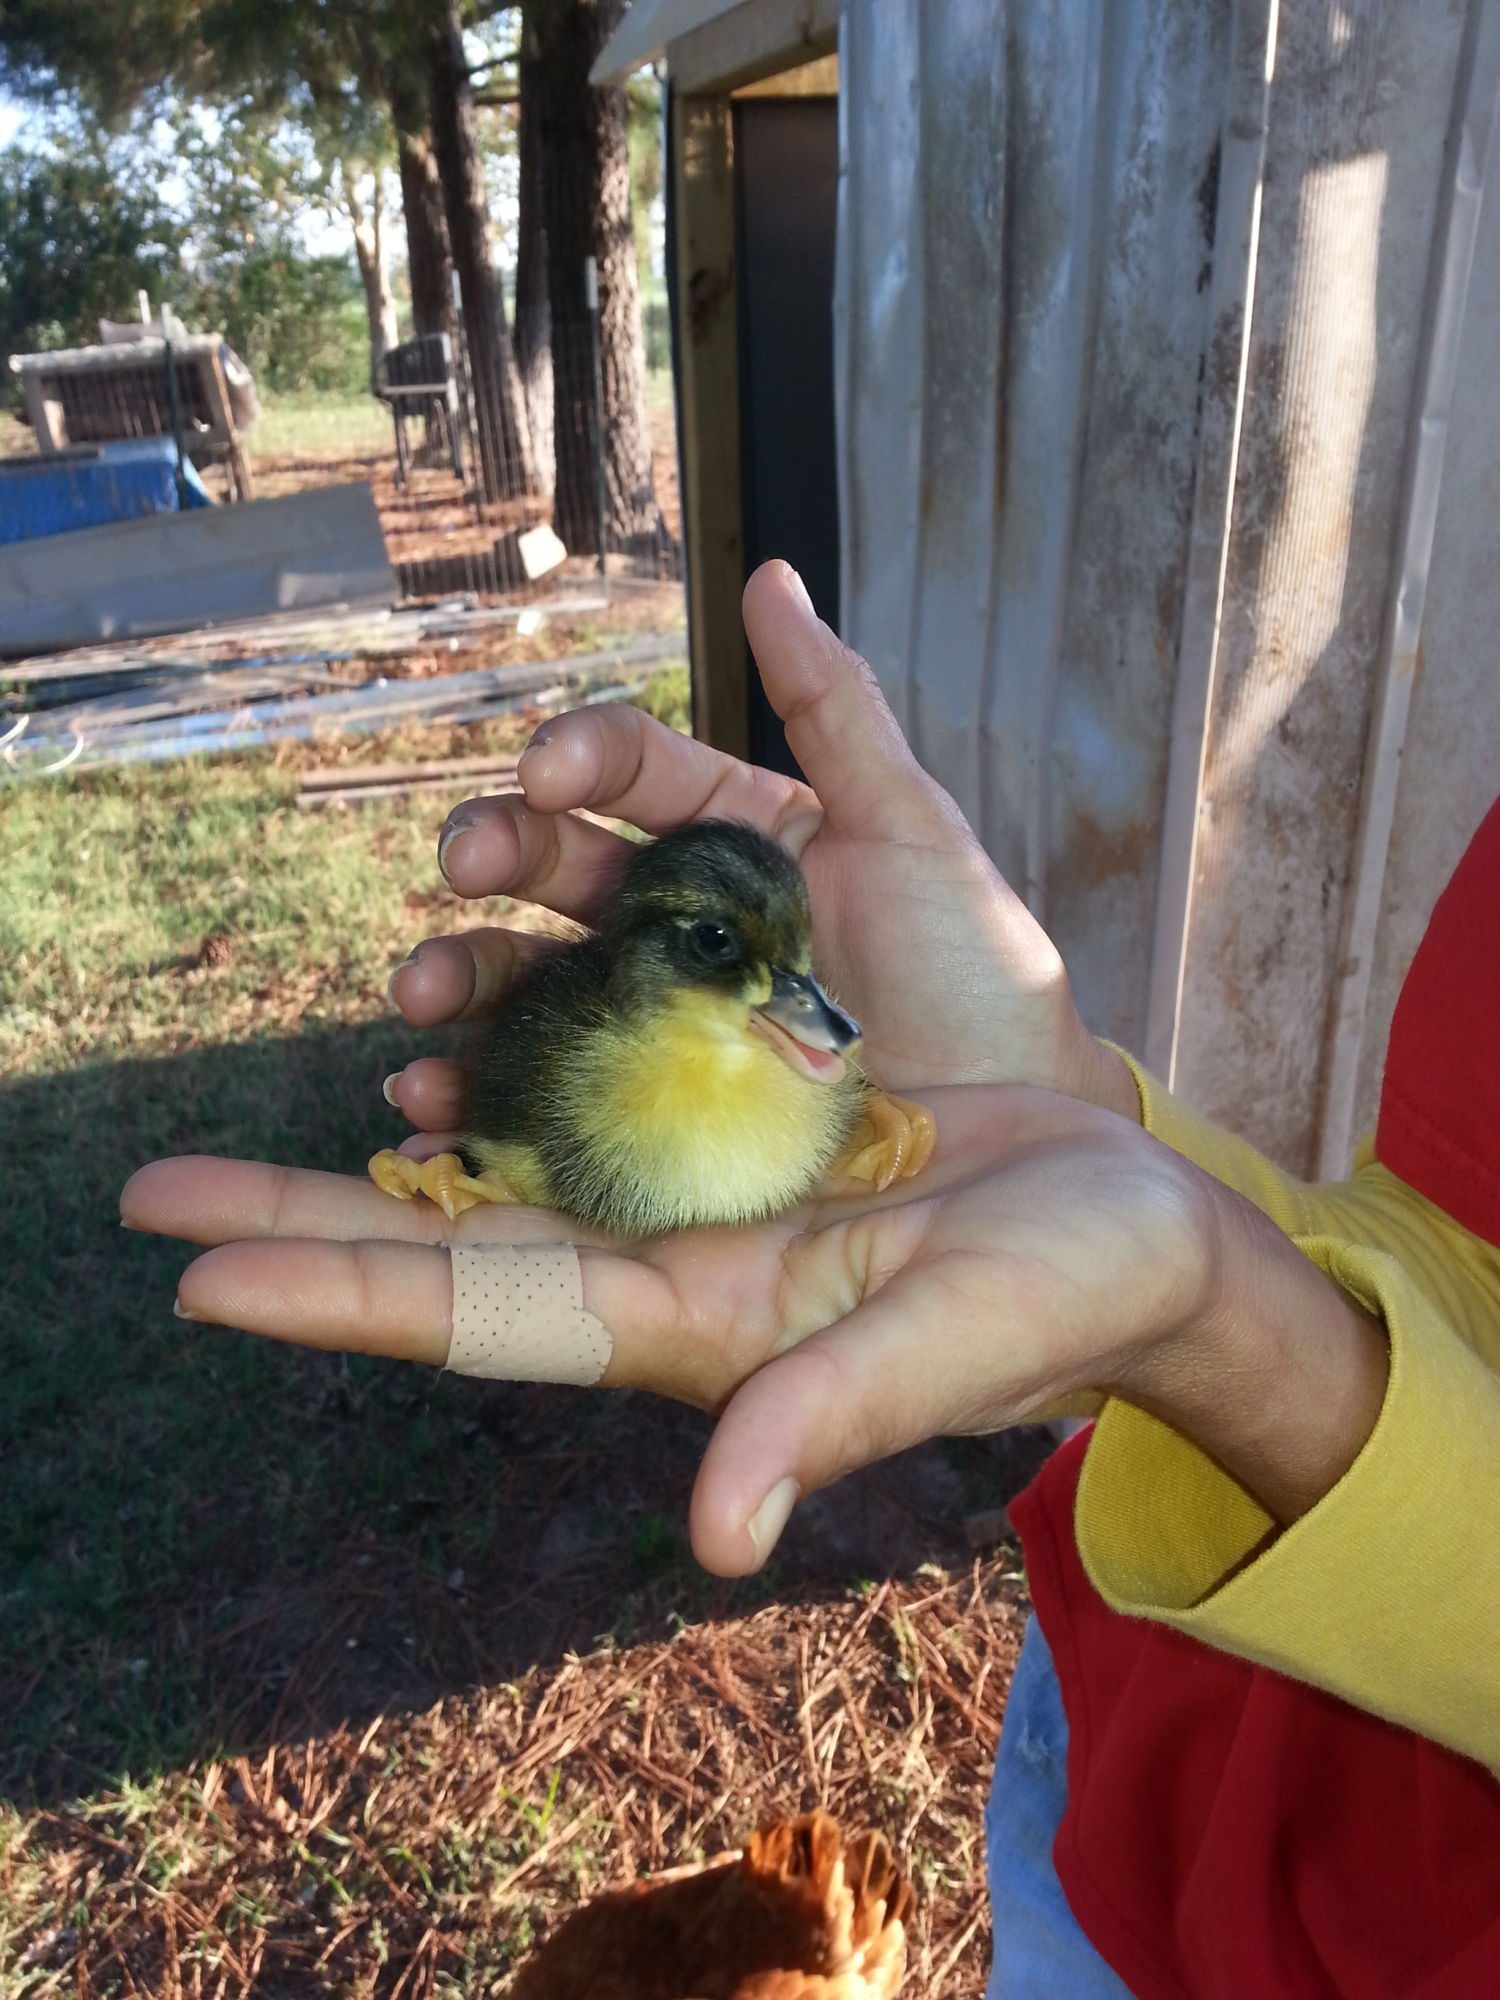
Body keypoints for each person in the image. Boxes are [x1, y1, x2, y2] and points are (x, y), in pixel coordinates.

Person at [123, 562, 1500, 1996]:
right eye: (739, 959)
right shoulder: (629, 1070)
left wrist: (1227, 1319)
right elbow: (1453, 1238)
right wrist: (1095, 1127)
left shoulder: (764, 1068)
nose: (807, 1005)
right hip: (1128, 1739)